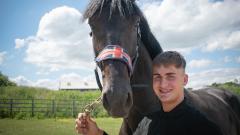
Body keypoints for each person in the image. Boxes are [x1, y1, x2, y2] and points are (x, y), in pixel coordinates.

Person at [75, 51, 223, 135]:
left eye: (170, 76)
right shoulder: (147, 122)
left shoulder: (204, 128)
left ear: (184, 80)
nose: (163, 84)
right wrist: (97, 133)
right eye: (157, 77)